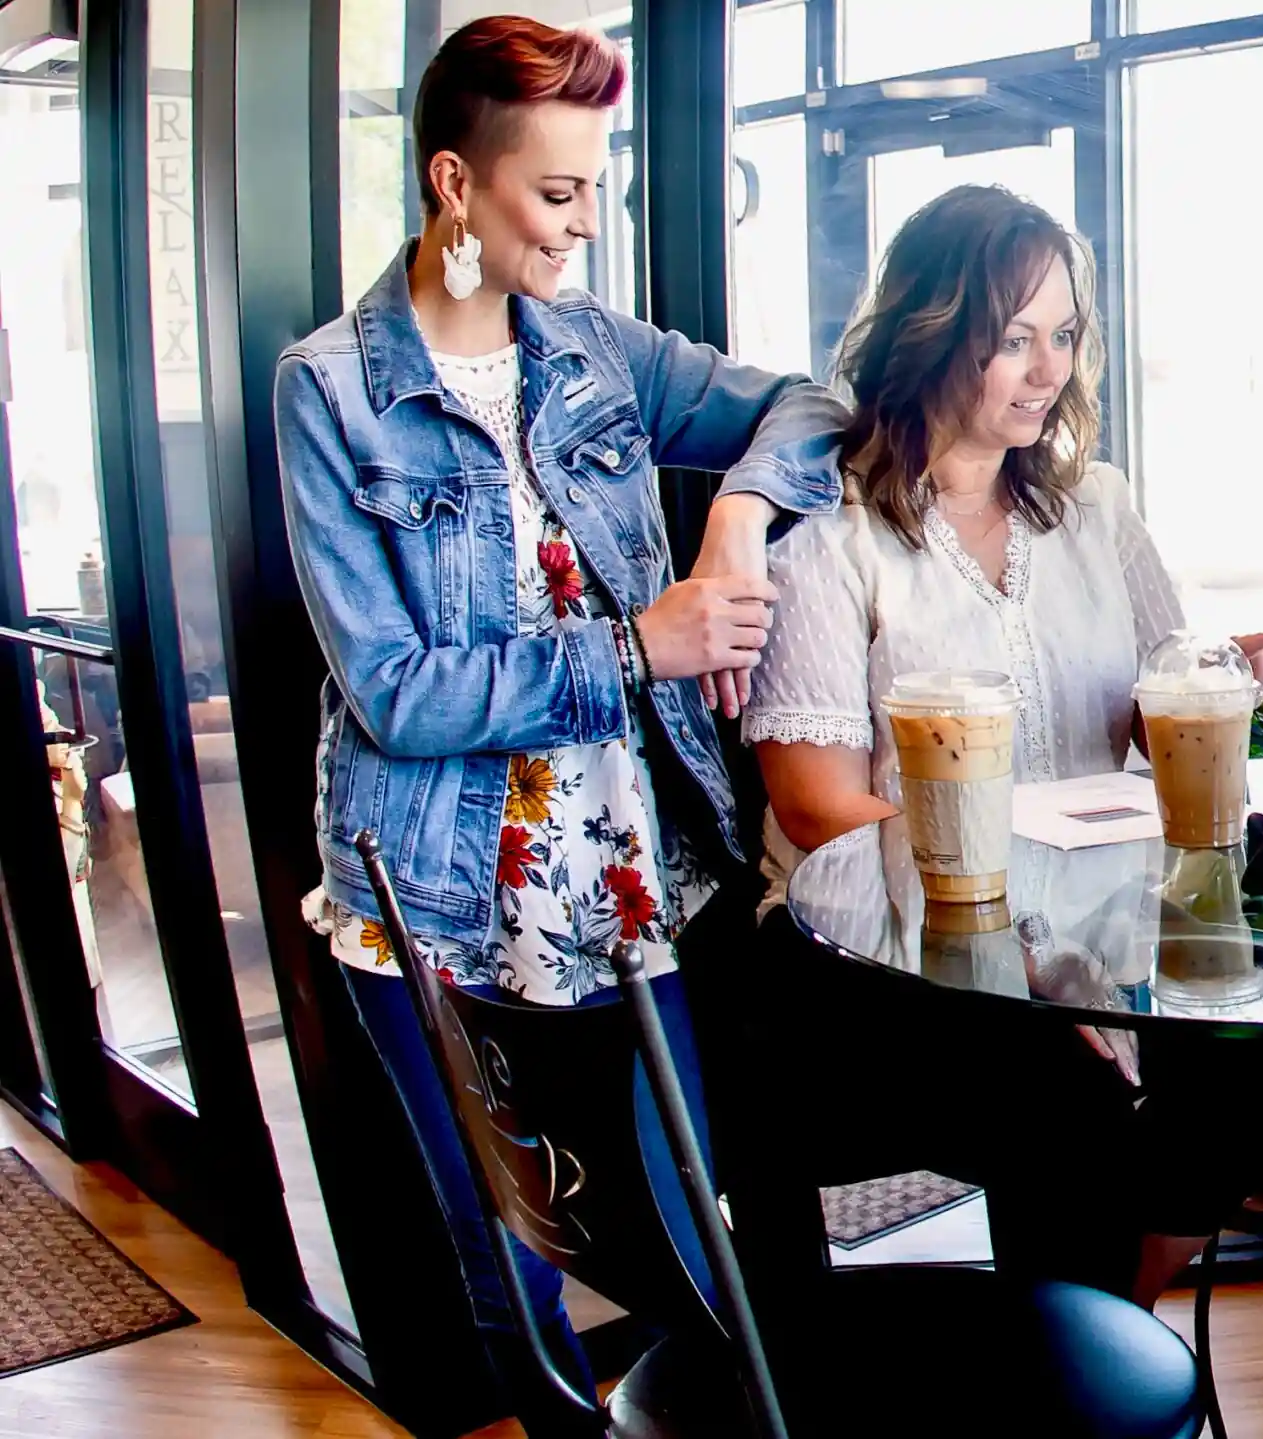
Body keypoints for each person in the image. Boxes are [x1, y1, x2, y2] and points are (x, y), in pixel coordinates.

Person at [274, 17, 842, 1432]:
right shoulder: (331, 390)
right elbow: (395, 691)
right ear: (455, 185)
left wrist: (735, 518)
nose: (590, 225)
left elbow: (811, 402)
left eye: (601, 189)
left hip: (634, 872)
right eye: (559, 193)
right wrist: (638, 642)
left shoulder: (594, 354)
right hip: (443, 891)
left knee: (677, 1214)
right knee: (515, 1259)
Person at [741, 183, 1263, 1304]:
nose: (1049, 369)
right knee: (1064, 1100)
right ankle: (1086, 1350)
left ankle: (1105, 1318)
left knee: (1262, 1028)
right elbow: (814, 806)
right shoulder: (832, 531)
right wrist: (1024, 946)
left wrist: (1224, 678)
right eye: (1013, 340)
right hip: (877, 950)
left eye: (1065, 336)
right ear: (931, 335)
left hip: (1092, 922)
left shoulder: (1093, 508)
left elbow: (1158, 698)